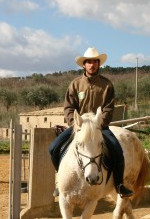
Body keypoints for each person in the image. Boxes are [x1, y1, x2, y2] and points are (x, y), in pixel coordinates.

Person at [49, 47, 133, 198]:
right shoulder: (75, 84)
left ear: (99, 64)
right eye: (89, 62)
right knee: (53, 148)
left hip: (100, 127)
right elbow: (69, 107)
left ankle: (119, 185)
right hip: (79, 127)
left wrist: (99, 124)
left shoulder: (107, 85)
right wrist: (74, 123)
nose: (92, 65)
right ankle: (58, 183)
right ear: (84, 65)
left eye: (95, 61)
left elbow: (108, 108)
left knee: (117, 150)